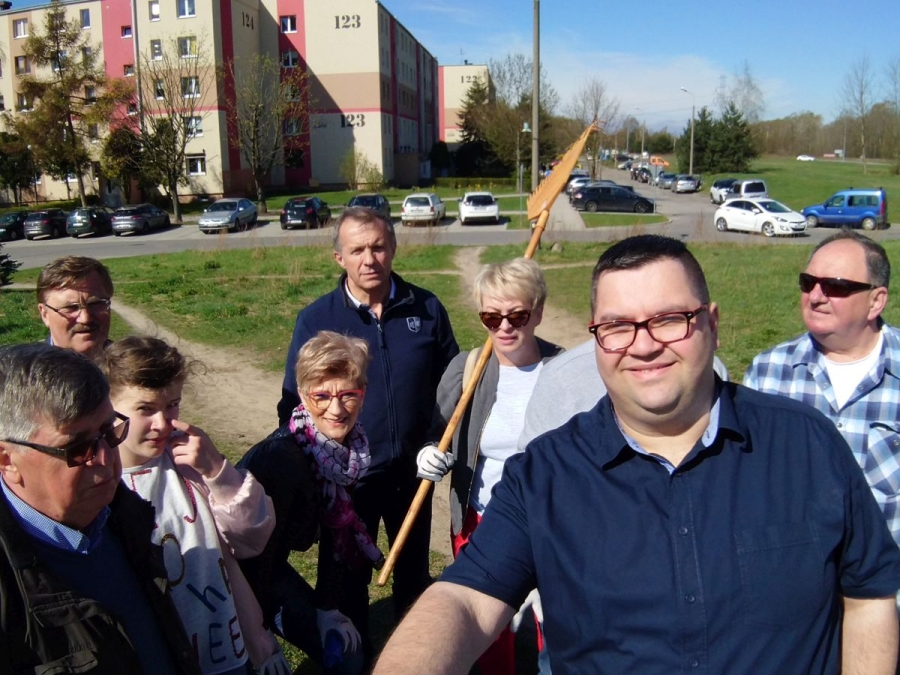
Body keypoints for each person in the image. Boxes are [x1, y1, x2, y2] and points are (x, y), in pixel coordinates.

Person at [373, 234, 900, 674]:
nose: (643, 345)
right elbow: (464, 602)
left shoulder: (807, 446)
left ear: (712, 324)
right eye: (618, 327)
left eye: (670, 319)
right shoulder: (545, 474)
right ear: (595, 341)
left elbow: (869, 594)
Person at [276, 206, 459, 659]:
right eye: (357, 250)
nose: (369, 259)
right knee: (347, 580)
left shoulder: (427, 309)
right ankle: (355, 661)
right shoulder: (315, 319)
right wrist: (318, 465)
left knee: (413, 576)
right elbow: (293, 403)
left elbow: (453, 386)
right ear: (339, 257)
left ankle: (415, 659)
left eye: (378, 247)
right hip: (347, 483)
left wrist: (436, 442)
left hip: (413, 476)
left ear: (393, 248)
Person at [0, 343, 201, 675]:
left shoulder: (124, 514)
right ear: (7, 460)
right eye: (78, 448)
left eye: (110, 432)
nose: (106, 459)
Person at [102, 336, 287, 675]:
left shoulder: (189, 466)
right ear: (107, 407)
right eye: (145, 409)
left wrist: (218, 471)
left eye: (172, 405)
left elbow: (251, 540)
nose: (162, 423)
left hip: (224, 648)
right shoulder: (101, 484)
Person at [416, 258, 562, 675]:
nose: (504, 327)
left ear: (538, 312)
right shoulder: (468, 369)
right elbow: (436, 431)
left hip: (550, 523)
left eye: (517, 316)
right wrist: (427, 454)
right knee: (488, 633)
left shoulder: (564, 370)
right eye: (491, 317)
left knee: (555, 632)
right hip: (482, 523)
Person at [745, 229, 900, 550]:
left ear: (876, 301)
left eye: (835, 286)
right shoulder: (767, 373)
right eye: (808, 283)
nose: (815, 296)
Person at [241, 331, 380, 674]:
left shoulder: (346, 453)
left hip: (270, 566)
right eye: (321, 396)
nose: (336, 409)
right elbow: (256, 556)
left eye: (348, 395)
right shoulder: (283, 461)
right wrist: (256, 631)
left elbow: (337, 532)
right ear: (303, 395)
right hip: (236, 573)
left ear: (362, 395)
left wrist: (326, 609)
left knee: (349, 657)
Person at [37, 256, 113, 360]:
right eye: (71, 308)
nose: (85, 318)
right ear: (45, 314)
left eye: (95, 304)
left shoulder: (130, 367)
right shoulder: (26, 369)